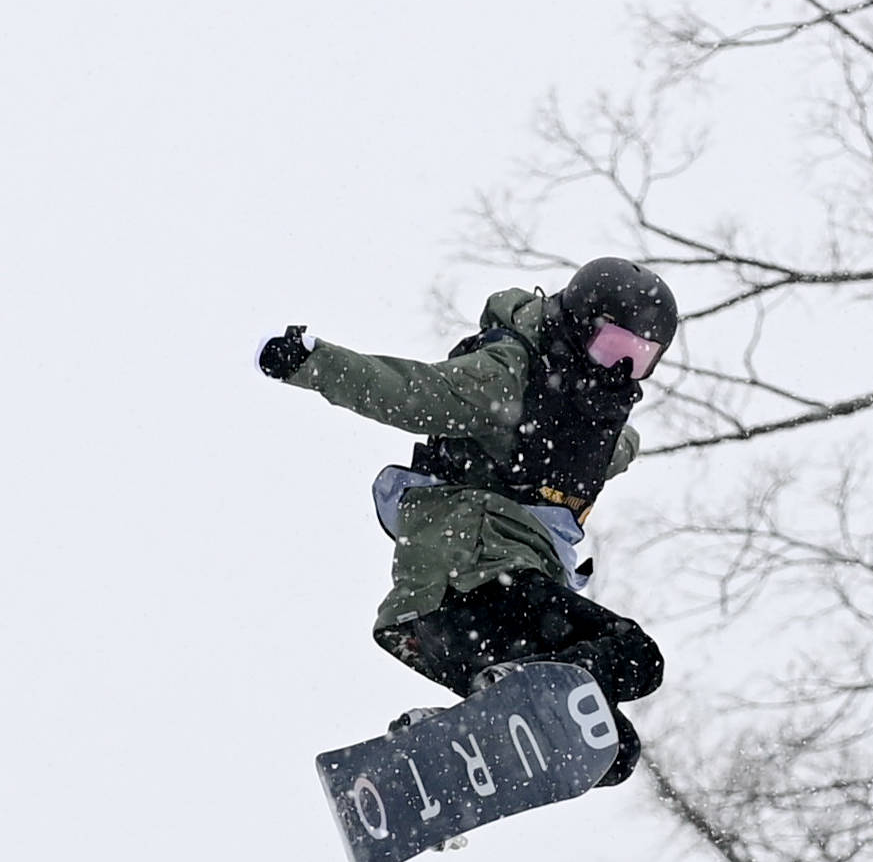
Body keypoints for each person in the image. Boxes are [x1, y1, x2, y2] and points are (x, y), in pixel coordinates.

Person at [256, 258, 675, 786]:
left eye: (637, 360)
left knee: (612, 750)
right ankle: (521, 683)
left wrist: (622, 445)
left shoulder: (602, 432)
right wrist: (312, 362)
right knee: (636, 657)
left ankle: (444, 755)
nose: (617, 372)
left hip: (463, 623)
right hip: (472, 574)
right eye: (611, 349)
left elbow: (618, 450)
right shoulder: (508, 377)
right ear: (576, 326)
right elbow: (412, 391)